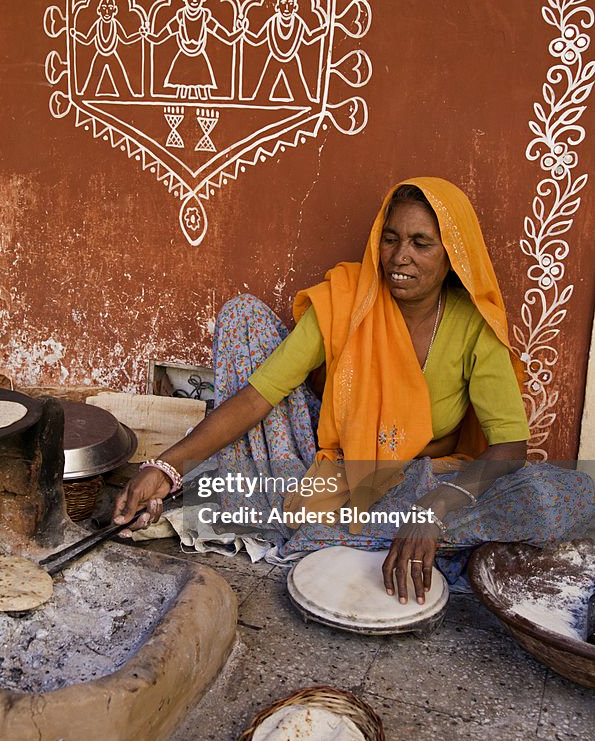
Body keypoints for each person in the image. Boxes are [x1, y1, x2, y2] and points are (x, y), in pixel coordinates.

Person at [113, 178, 594, 602]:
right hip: (327, 468)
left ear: (452, 258)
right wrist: (165, 466)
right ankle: (358, 534)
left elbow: (509, 444)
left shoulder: (473, 328)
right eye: (391, 239)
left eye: (421, 243)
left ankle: (338, 530)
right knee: (243, 315)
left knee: (562, 495)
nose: (400, 257)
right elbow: (258, 396)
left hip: (418, 482)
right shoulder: (350, 299)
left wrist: (436, 508)